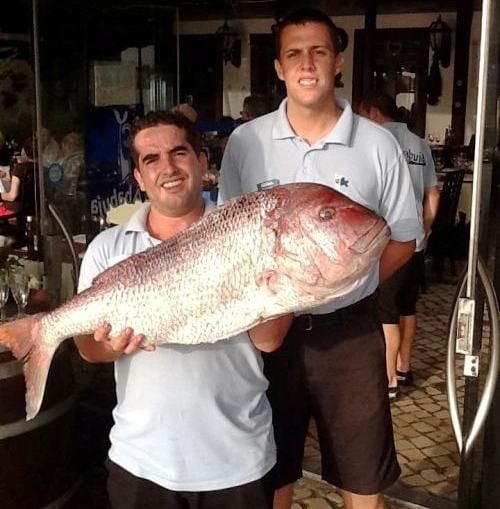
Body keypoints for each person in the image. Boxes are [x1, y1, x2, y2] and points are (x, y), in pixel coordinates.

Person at [218, 8, 421, 509]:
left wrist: (349, 282)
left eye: (319, 52)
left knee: (363, 474)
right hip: (266, 336)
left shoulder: (379, 145)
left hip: (349, 334)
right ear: (279, 68)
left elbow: (403, 238)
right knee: (271, 467)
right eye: (294, 54)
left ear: (338, 62)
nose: (307, 64)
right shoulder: (247, 141)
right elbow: (226, 237)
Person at [75, 111, 291, 509]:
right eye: (151, 159)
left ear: (202, 163)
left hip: (237, 461)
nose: (168, 168)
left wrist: (279, 277)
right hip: (141, 462)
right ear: (138, 178)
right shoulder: (107, 248)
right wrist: (112, 346)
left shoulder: (249, 233)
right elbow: (88, 349)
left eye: (179, 153)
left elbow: (270, 339)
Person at [358, 90, 440, 396]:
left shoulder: (376, 143)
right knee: (407, 307)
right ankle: (405, 368)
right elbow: (433, 193)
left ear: (373, 112)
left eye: (363, 114)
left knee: (385, 313)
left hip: (390, 243)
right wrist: (425, 229)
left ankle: (388, 380)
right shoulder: (419, 144)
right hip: (416, 240)